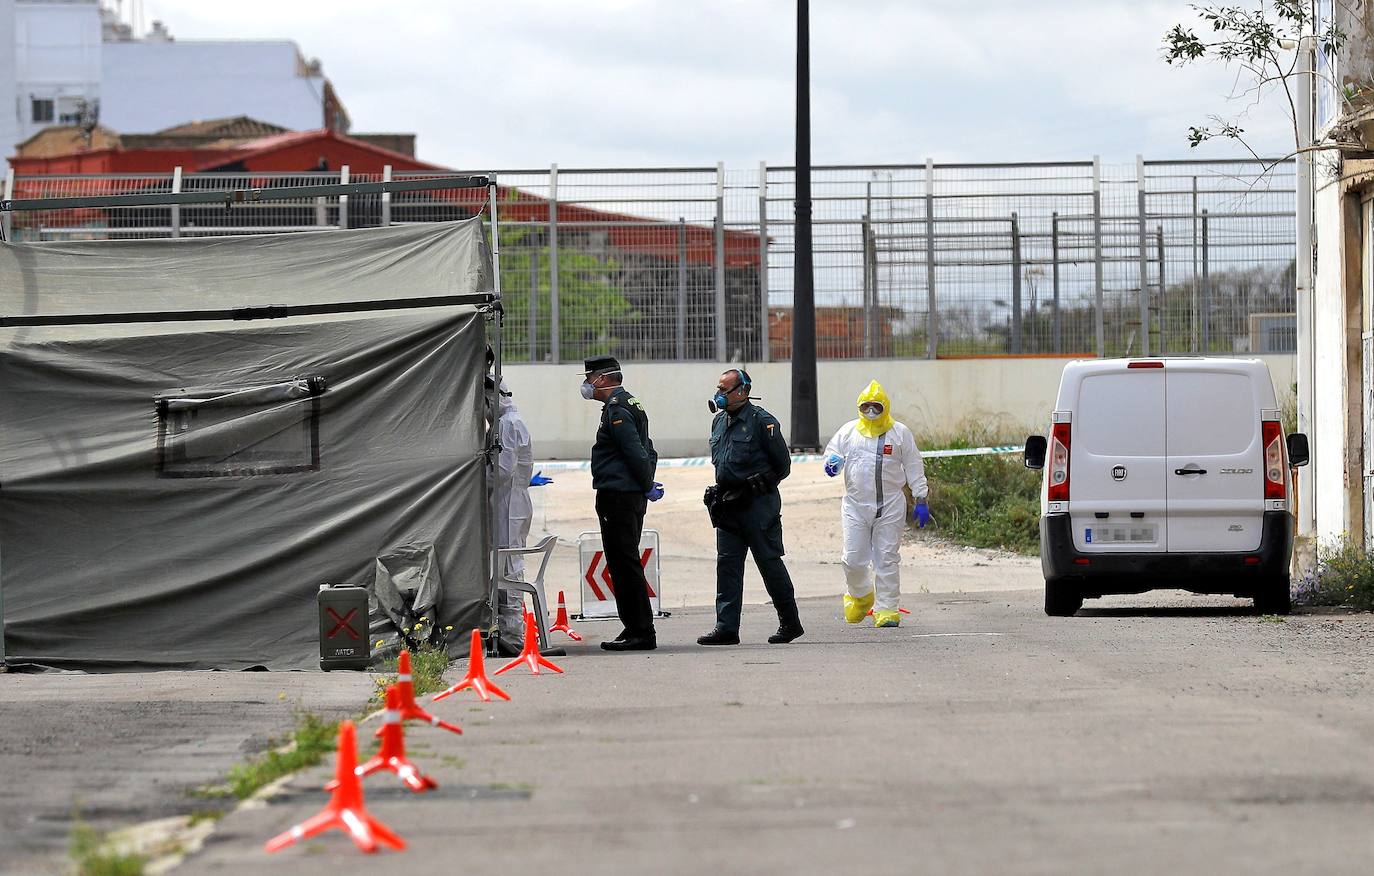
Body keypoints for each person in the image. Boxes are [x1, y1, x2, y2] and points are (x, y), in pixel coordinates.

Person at [698, 368, 804, 646]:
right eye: (718, 389)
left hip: (758, 506)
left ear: (742, 391)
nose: (719, 394)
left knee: (769, 563)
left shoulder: (762, 422)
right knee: (727, 566)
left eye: (725, 390)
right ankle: (726, 628)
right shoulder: (719, 422)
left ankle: (790, 623)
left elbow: (783, 465)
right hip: (728, 506)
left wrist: (762, 481)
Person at [822, 380, 929, 629]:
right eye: (866, 406)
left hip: (890, 504)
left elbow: (914, 465)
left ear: (885, 407)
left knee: (887, 558)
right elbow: (830, 458)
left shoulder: (900, 433)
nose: (871, 411)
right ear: (859, 406)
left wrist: (920, 497)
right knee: (852, 559)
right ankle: (860, 596)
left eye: (876, 406)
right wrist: (831, 465)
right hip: (855, 506)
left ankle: (887, 609)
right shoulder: (848, 432)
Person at [582, 356, 661, 652]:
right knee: (622, 563)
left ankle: (641, 631)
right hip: (626, 493)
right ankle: (634, 627)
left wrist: (644, 484)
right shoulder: (629, 404)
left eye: (590, 377)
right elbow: (648, 449)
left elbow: (637, 452)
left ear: (603, 379)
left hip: (619, 495)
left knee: (624, 563)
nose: (587, 384)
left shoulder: (617, 409)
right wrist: (646, 484)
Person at [492, 379, 538, 655]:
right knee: (503, 564)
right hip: (509, 501)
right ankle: (507, 630)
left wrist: (473, 476)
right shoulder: (508, 421)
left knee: (509, 566)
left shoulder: (508, 425)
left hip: (510, 503)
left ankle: (513, 635)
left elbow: (503, 470)